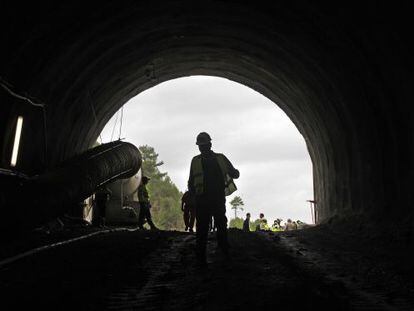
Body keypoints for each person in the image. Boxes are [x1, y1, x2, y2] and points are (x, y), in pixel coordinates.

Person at [188, 132, 240, 266]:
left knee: (203, 228)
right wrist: (235, 173)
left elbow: (190, 183)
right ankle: (224, 253)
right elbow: (234, 173)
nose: (202, 148)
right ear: (210, 144)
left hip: (204, 199)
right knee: (220, 225)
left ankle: (201, 258)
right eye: (202, 146)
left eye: (202, 145)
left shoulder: (196, 161)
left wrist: (193, 198)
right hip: (214, 198)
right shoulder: (220, 158)